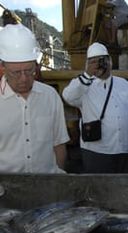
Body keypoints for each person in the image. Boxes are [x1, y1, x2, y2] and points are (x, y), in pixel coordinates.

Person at [62, 42, 128, 173]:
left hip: (125, 150)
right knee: (99, 190)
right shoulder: (83, 87)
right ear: (87, 64)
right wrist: (87, 74)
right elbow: (67, 96)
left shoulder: (124, 85)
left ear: (110, 61)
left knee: (125, 188)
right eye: (93, 61)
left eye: (102, 60)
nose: (99, 64)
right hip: (97, 152)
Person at [0, 24, 69, 173]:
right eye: (16, 73)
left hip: (47, 187)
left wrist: (58, 183)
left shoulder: (50, 96)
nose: (24, 78)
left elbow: (59, 144)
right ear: (3, 67)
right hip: (6, 190)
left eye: (29, 70)